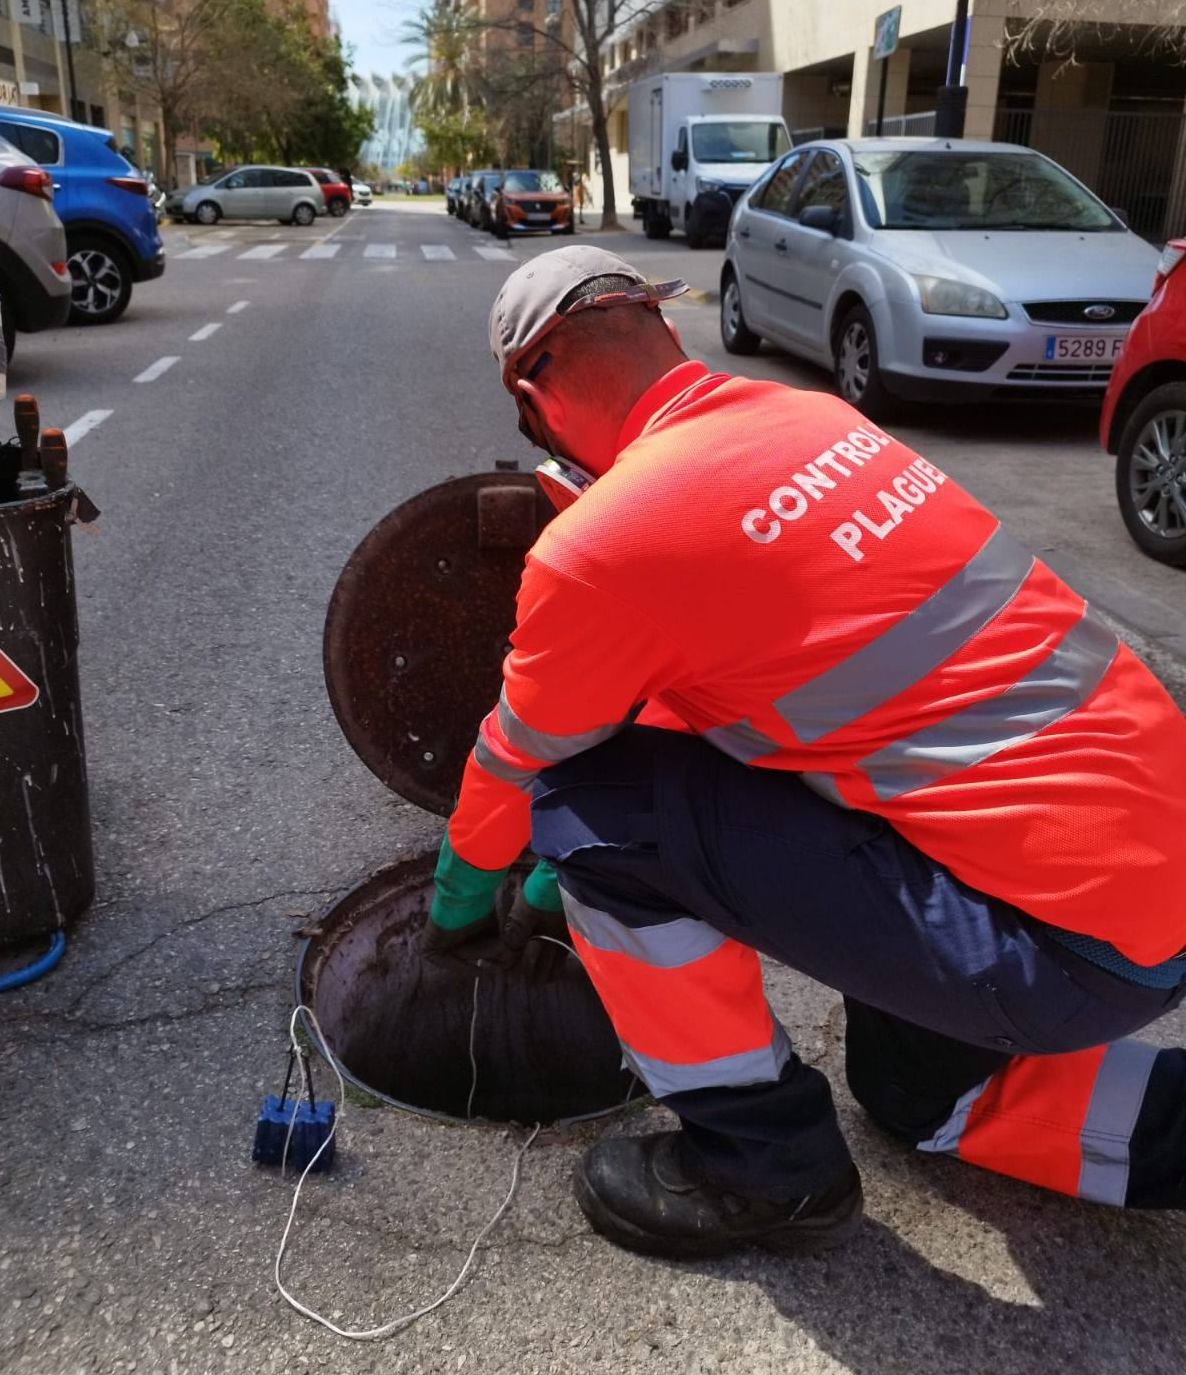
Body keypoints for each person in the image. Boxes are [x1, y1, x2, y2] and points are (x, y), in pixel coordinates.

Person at [421, 244, 1186, 1261]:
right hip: (1144, 885)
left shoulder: (600, 545)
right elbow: (752, 697)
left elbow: (526, 760)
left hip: (1051, 947)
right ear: (664, 329)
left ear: (538, 397)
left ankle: (762, 1166)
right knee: (913, 1093)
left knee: (583, 811)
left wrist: (467, 889)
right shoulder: (815, 419)